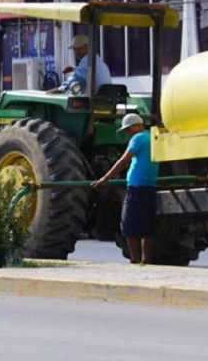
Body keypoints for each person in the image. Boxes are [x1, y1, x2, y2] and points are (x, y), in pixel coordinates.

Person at [92, 113, 157, 264]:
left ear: (138, 126)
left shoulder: (138, 138)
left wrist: (105, 178)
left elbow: (123, 160)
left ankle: (135, 260)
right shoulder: (152, 137)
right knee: (147, 226)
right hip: (150, 186)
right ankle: (145, 261)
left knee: (128, 225)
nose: (128, 134)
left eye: (128, 130)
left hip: (136, 185)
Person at [47, 34, 112, 94]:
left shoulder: (87, 60)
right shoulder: (100, 62)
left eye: (79, 48)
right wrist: (74, 68)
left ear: (87, 47)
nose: (76, 52)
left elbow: (76, 77)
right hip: (106, 99)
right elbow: (86, 71)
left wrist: (62, 88)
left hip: (94, 101)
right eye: (74, 49)